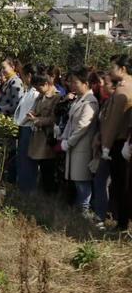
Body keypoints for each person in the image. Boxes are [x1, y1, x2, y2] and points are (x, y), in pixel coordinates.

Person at [60, 67, 99, 215]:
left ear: (86, 83)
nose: (72, 85)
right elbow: (71, 122)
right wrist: (64, 136)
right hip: (74, 145)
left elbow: (83, 126)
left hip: (82, 147)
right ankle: (79, 209)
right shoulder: (79, 99)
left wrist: (69, 142)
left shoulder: (91, 101)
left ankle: (84, 210)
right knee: (76, 179)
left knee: (82, 180)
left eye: (76, 82)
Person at [101, 55, 132, 231]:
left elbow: (113, 122)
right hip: (124, 140)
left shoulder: (123, 91)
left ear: (122, 69)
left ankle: (122, 223)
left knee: (121, 184)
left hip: (119, 141)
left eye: (113, 67)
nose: (111, 70)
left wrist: (106, 144)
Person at [27, 73, 60, 194]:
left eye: (39, 88)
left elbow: (54, 119)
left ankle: (49, 194)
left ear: (46, 84)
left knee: (48, 167)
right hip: (38, 136)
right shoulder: (40, 97)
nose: (38, 90)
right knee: (40, 165)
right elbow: (36, 110)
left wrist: (37, 120)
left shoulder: (57, 98)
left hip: (47, 137)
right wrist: (33, 115)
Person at [91, 73, 116, 228]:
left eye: (105, 83)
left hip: (113, 149)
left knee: (104, 182)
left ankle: (105, 217)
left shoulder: (119, 102)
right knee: (100, 181)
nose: (102, 86)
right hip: (104, 146)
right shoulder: (107, 102)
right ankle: (101, 214)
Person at [14, 64, 40, 193]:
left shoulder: (36, 93)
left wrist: (21, 122)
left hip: (28, 128)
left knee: (27, 160)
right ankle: (23, 186)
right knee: (22, 158)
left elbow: (31, 112)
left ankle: (27, 188)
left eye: (23, 75)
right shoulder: (29, 90)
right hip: (23, 127)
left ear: (29, 76)